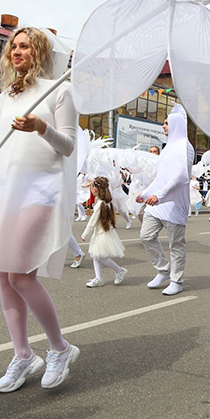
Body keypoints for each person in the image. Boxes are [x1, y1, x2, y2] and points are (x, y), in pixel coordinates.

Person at [0, 28, 79, 392]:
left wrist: (40, 127)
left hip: (40, 190)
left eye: (24, 45)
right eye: (13, 46)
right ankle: (23, 355)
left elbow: (68, 146)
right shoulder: (8, 94)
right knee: (3, 275)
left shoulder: (62, 90)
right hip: (3, 190)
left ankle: (60, 348)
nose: (16, 51)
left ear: (39, 51)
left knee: (21, 275)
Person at [136, 104, 194, 296]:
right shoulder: (168, 147)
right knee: (146, 236)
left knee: (176, 245)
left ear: (177, 124)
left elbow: (181, 177)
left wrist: (158, 196)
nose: (163, 126)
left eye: (167, 123)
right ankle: (163, 270)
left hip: (174, 204)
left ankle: (177, 280)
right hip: (156, 204)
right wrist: (145, 194)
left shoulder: (184, 147)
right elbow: (161, 177)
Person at [81, 177, 127, 287]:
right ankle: (98, 277)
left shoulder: (100, 203)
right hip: (104, 232)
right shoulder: (107, 201)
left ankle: (119, 270)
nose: (91, 189)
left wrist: (85, 234)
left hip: (102, 233)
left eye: (92, 187)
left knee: (101, 256)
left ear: (96, 189)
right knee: (95, 255)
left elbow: (92, 222)